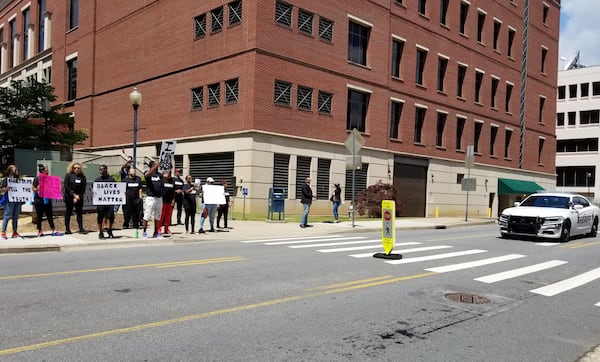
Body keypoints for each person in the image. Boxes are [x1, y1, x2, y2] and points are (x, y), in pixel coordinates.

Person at [32, 164, 62, 237]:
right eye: (46, 170)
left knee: (49, 216)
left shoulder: (49, 179)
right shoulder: (37, 179)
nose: (47, 172)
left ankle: (53, 230)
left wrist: (57, 189)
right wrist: (38, 189)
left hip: (47, 200)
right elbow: (33, 188)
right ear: (42, 171)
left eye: (48, 170)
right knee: (39, 216)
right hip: (39, 200)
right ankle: (39, 231)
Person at [142, 161, 165, 239]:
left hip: (159, 198)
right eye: (155, 165)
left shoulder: (159, 175)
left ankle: (156, 232)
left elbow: (164, 179)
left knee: (158, 216)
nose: (157, 166)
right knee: (147, 215)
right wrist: (155, 167)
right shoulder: (147, 173)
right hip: (150, 198)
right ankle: (144, 232)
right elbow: (147, 175)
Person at [63, 162, 87, 234]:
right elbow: (66, 187)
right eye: (75, 168)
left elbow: (83, 188)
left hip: (79, 197)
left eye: (78, 168)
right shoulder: (68, 176)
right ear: (72, 168)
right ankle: (67, 229)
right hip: (69, 197)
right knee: (68, 212)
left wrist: (78, 196)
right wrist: (74, 195)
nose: (77, 169)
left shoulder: (83, 177)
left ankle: (81, 228)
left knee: (79, 213)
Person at [1, 165, 23, 239]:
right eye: (15, 169)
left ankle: (15, 232)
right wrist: (7, 188)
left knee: (15, 216)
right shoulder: (6, 179)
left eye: (17, 169)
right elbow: (2, 190)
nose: (16, 170)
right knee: (7, 215)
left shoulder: (18, 180)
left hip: (17, 200)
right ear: (10, 171)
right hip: (9, 200)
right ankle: (3, 232)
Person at [95, 165, 116, 239]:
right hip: (100, 202)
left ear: (106, 170)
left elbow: (116, 190)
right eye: (100, 169)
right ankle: (100, 232)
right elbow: (94, 190)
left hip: (109, 202)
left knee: (111, 217)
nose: (101, 171)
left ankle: (109, 230)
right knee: (100, 217)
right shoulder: (97, 180)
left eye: (102, 169)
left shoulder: (112, 179)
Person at [158, 170, 175, 235]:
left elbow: (173, 191)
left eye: (168, 173)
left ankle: (166, 228)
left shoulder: (172, 181)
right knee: (161, 216)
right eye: (166, 172)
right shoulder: (161, 180)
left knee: (168, 216)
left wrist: (173, 200)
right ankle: (159, 228)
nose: (167, 174)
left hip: (169, 201)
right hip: (162, 200)